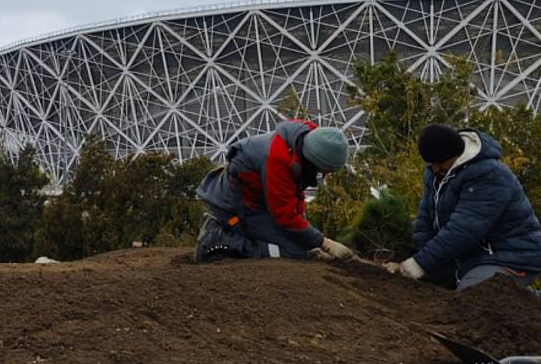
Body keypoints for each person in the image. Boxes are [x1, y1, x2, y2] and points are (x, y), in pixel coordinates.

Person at [391, 123, 541, 290]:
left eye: (440, 162)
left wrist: (419, 264)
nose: (435, 168)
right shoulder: (436, 173)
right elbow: (424, 219)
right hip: (466, 257)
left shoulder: (489, 175)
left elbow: (463, 229)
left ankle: (531, 303)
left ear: (455, 155)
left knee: (475, 297)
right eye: (431, 163)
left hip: (510, 255)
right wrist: (418, 257)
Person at [194, 120, 355, 262]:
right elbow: (285, 216)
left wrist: (309, 239)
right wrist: (324, 243)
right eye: (322, 170)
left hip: (261, 200)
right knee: (293, 253)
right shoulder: (277, 160)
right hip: (236, 205)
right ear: (313, 161)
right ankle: (220, 239)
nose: (323, 175)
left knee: (304, 246)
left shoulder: (308, 139)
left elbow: (294, 193)